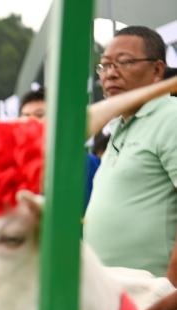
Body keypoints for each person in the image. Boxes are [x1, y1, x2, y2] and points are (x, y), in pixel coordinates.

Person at [85, 26, 177, 279]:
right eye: (104, 66)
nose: (110, 75)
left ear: (157, 70)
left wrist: (171, 289)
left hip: (156, 295)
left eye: (124, 62)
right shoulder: (120, 126)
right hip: (114, 294)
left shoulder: (171, 116)